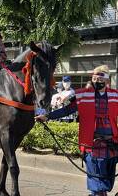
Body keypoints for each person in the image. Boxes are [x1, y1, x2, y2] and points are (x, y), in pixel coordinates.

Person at [35, 65, 118, 196]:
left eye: (99, 78)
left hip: (112, 145)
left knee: (107, 180)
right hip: (93, 144)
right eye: (94, 78)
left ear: (107, 80)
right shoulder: (84, 95)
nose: (96, 81)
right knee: (97, 184)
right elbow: (67, 110)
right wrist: (47, 116)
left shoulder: (115, 95)